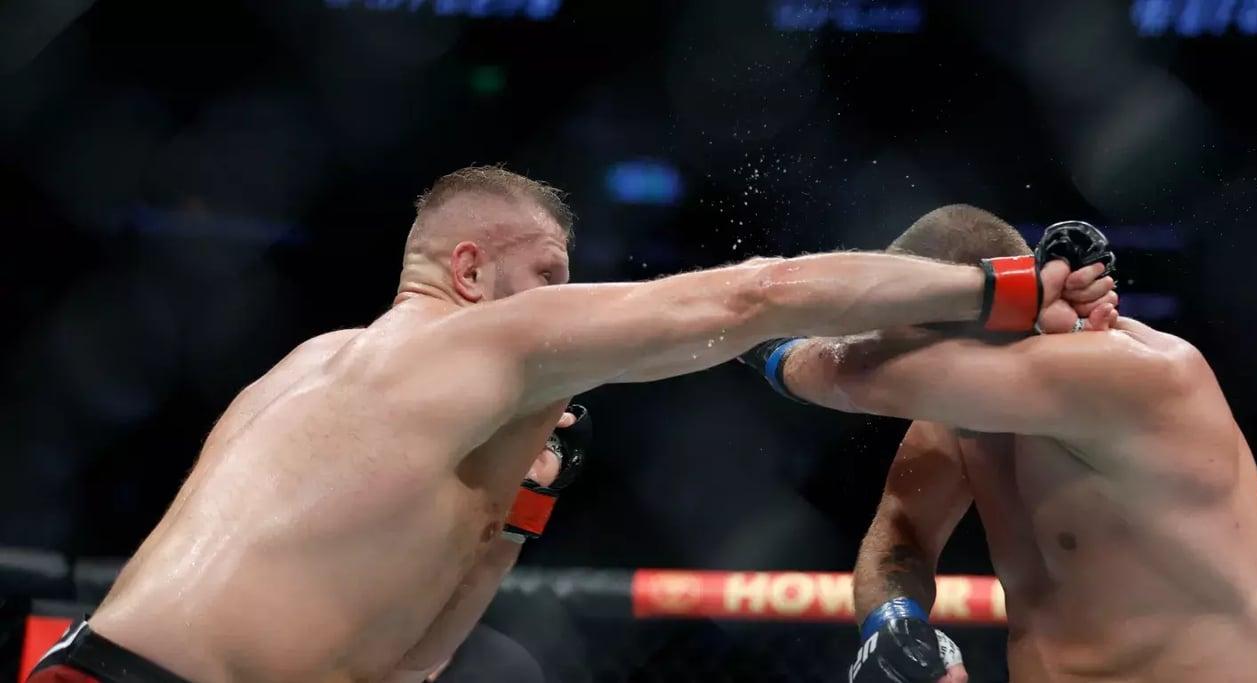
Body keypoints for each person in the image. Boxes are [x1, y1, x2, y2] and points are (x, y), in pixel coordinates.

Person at [26, 170, 1113, 683]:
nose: (563, 296)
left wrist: (515, 513)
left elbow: (403, 663)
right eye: (547, 273)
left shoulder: (298, 373)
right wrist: (999, 293)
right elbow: (752, 294)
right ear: (470, 268)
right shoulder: (477, 340)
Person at [745, 205, 1257, 682]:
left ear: (987, 309)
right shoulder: (961, 417)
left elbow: (854, 375)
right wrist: (894, 622)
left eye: (915, 354)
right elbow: (901, 533)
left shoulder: (1138, 377)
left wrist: (746, 324)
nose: (905, 374)